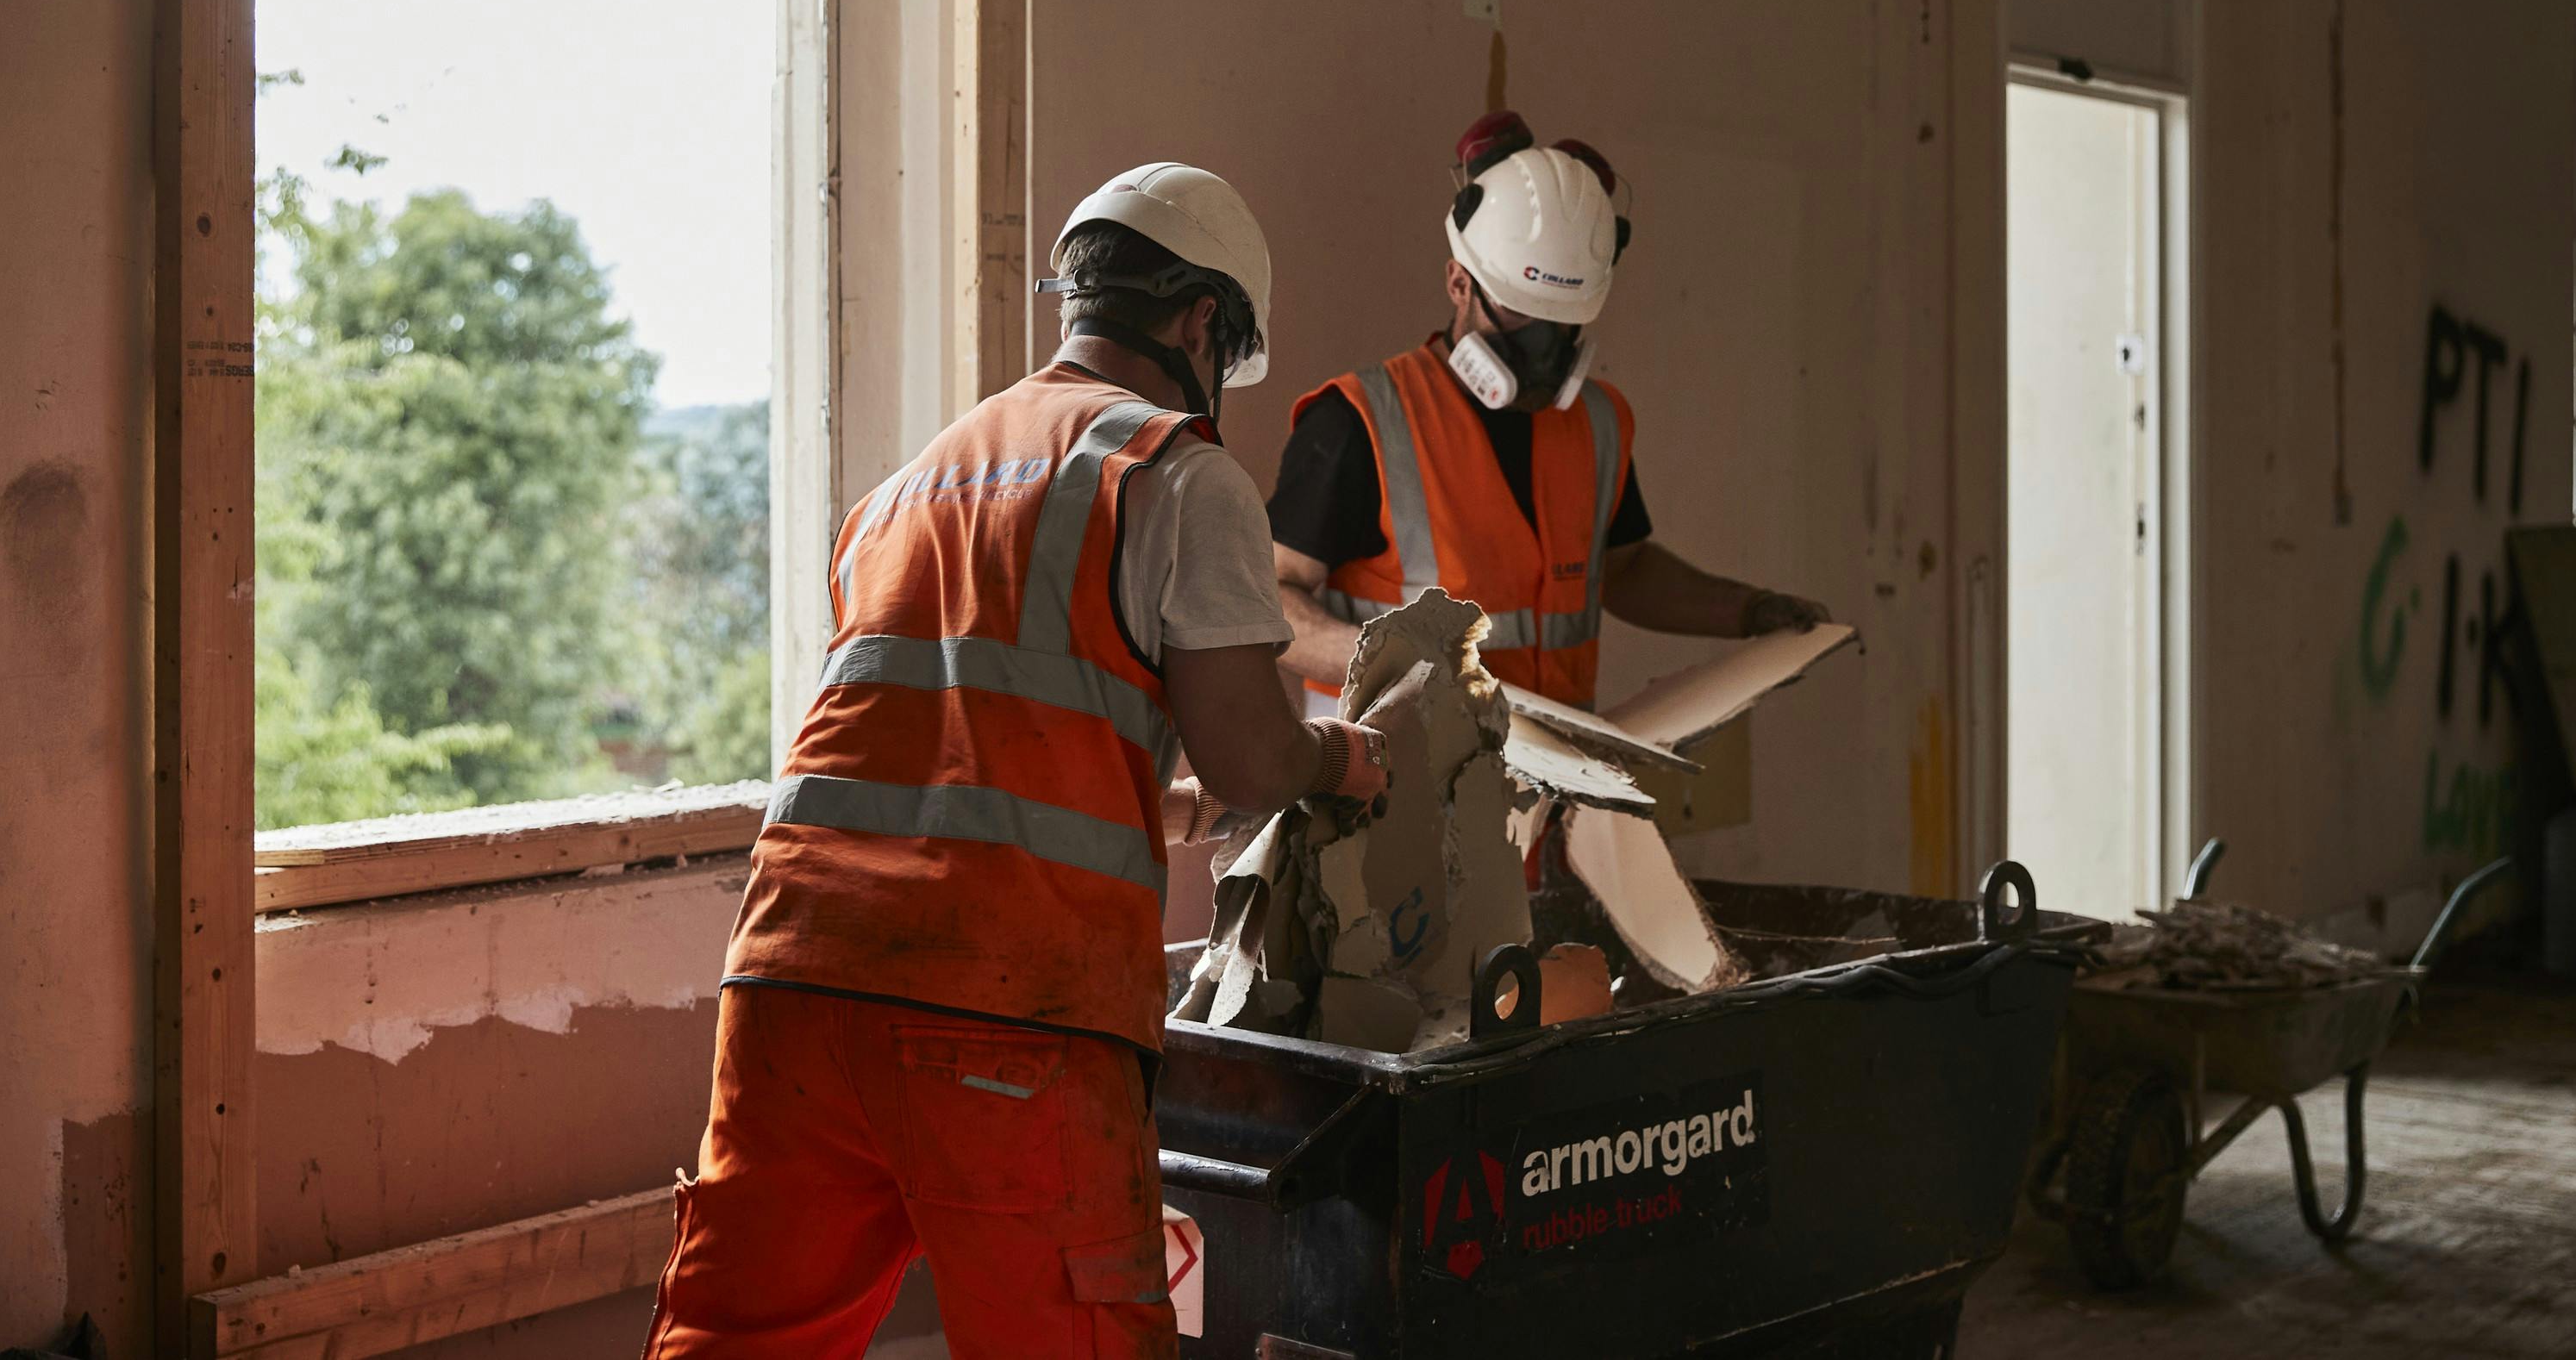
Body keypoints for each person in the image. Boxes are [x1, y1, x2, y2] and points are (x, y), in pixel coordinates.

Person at [645, 163, 1391, 1359]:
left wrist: (1174, 804)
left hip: (794, 987)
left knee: (740, 1341)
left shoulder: (910, 484)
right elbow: (1256, 755)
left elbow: (975, 748)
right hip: (1005, 1013)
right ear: (1202, 323)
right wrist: (1338, 763)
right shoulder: (1176, 474)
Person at [1271, 112, 1831, 711]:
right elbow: (1265, 600)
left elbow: (1626, 568)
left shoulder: (1597, 424)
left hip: (1547, 782)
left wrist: (1748, 611)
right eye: (1517, 313)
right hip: (1387, 784)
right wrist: (1394, 662)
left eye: (1562, 321)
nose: (1542, 346)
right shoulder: (1360, 420)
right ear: (1459, 284)